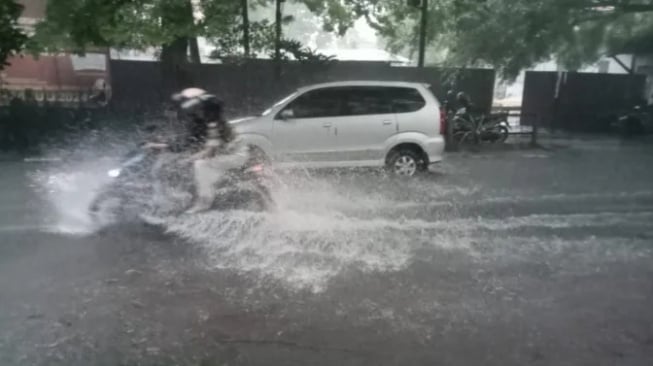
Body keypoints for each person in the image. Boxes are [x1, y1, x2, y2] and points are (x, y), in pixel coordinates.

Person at [172, 88, 250, 213]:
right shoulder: (217, 122)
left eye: (202, 109)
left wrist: (187, 160)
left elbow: (210, 151)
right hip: (235, 153)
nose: (200, 112)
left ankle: (204, 202)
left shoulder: (214, 125)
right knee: (201, 161)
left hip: (235, 156)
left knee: (200, 164)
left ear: (208, 111)